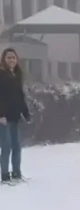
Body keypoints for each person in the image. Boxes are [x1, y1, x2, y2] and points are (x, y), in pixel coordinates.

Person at [0, 47, 30, 184]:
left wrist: (25, 112)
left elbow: (20, 96)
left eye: (13, 57)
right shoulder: (1, 75)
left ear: (16, 60)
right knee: (6, 146)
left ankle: (16, 173)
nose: (11, 60)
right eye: (8, 57)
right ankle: (5, 176)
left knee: (17, 146)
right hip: (4, 118)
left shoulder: (18, 75)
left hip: (15, 116)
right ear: (4, 59)